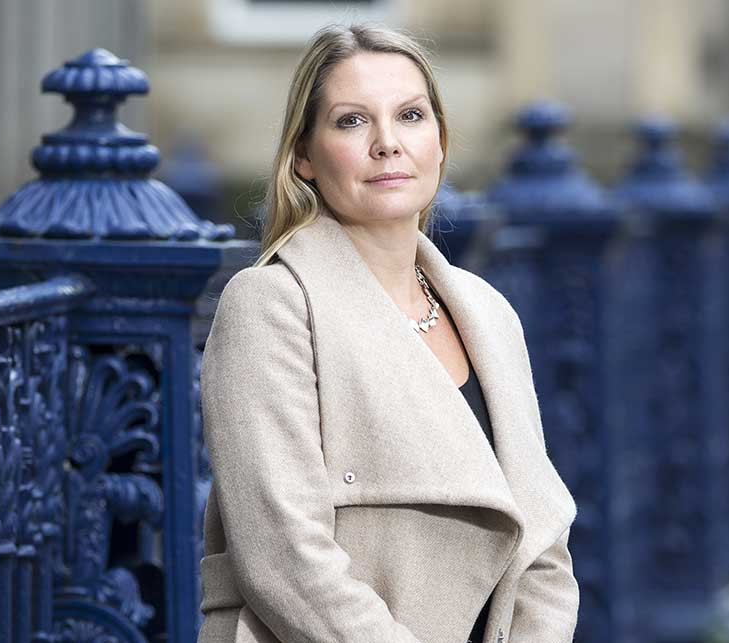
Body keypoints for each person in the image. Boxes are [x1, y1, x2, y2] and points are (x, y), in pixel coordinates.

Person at [197, 22, 579, 643]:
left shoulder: (488, 313)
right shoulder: (270, 306)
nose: (387, 144)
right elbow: (285, 561)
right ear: (304, 156)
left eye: (410, 116)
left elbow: (544, 544)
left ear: (440, 141)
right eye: (352, 121)